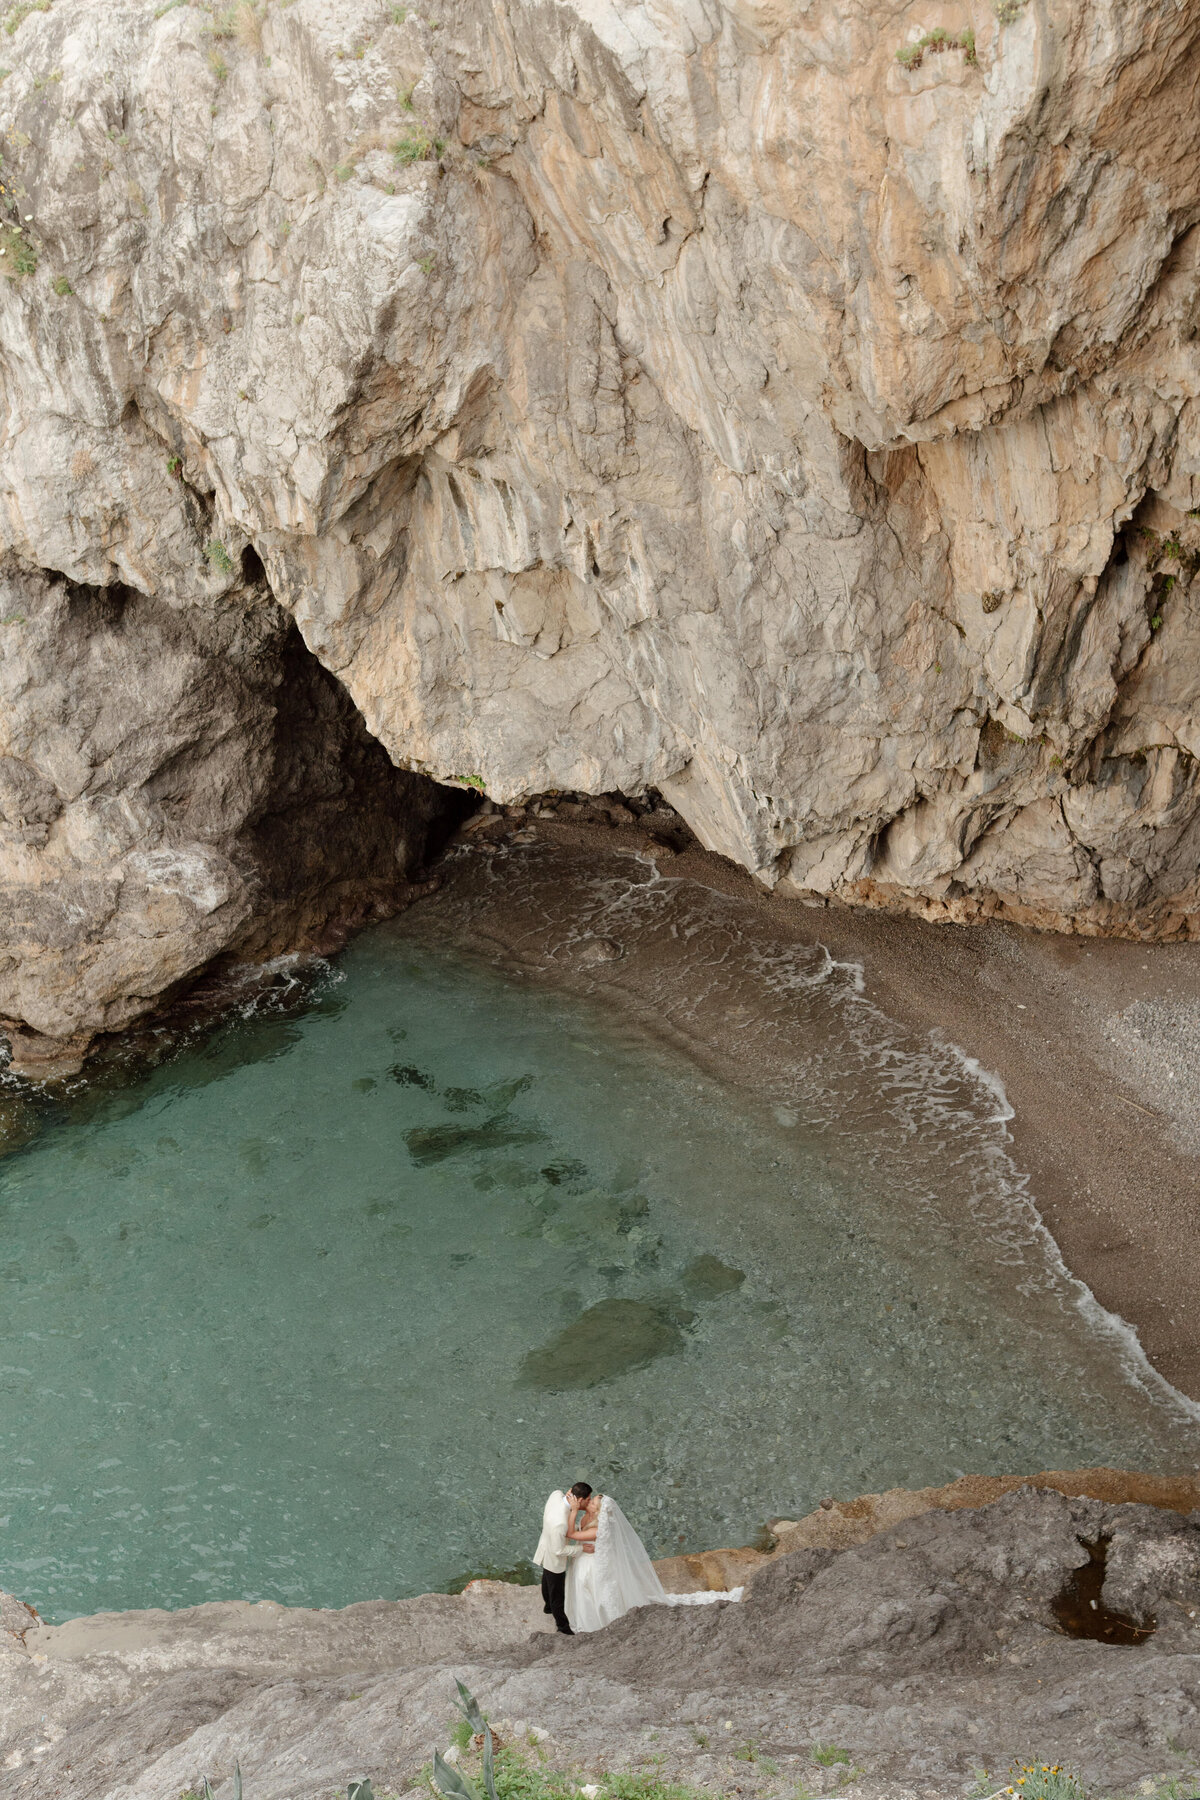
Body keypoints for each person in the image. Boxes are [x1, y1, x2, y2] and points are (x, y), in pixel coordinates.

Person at [564, 1489, 744, 1633]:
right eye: (591, 1500)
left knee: (597, 1590)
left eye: (593, 1502)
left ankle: (600, 1621)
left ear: (598, 1510)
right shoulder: (586, 1518)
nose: (590, 1502)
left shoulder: (598, 1529)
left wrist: (572, 1510)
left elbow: (571, 1534)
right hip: (586, 1558)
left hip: (594, 1563)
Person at [533, 1481, 593, 1635]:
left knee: (546, 1579)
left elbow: (558, 1493)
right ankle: (563, 1627)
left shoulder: (556, 1495)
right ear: (579, 1500)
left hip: (545, 1543)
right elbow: (559, 1549)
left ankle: (547, 1606)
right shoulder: (560, 1523)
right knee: (557, 1592)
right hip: (554, 1554)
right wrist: (581, 1548)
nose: (589, 1502)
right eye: (588, 1499)